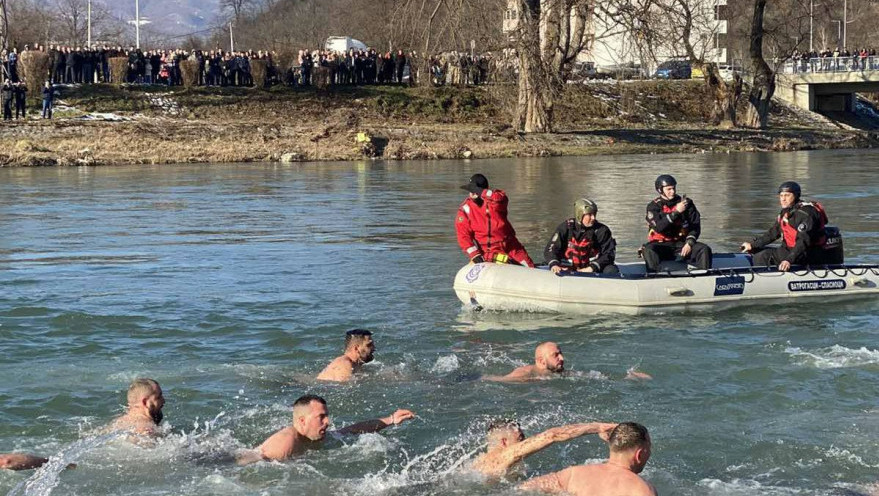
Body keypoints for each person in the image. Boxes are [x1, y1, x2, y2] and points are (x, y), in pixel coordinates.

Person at [238, 394, 415, 463]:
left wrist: (391, 419)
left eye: (327, 415)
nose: (328, 422)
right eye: (321, 417)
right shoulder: (285, 445)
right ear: (302, 421)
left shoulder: (313, 436)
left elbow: (352, 430)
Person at [518, 422, 656, 496]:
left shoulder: (573, 474)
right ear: (640, 454)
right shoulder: (641, 490)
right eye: (649, 447)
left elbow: (524, 488)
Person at [471, 420, 618, 479]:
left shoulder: (480, 461)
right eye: (521, 438)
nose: (526, 441)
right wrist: (597, 427)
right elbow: (552, 435)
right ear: (504, 442)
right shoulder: (504, 456)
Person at [741, 181, 836, 271]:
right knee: (757, 251)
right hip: (790, 249)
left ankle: (764, 283)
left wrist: (789, 260)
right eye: (781, 195)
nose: (783, 199)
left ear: (796, 196)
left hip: (808, 253)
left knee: (763, 256)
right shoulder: (787, 212)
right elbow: (773, 233)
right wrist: (753, 245)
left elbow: (803, 242)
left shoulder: (806, 213)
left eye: (787, 195)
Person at [456, 173, 535, 267]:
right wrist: (474, 254)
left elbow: (500, 198)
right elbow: (463, 237)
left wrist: (482, 192)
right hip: (489, 251)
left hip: (512, 246)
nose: (472, 193)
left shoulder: (496, 201)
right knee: (505, 267)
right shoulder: (465, 210)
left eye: (475, 191)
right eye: (470, 190)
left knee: (530, 268)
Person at [642, 174, 712, 272]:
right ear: (660, 190)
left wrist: (689, 243)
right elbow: (659, 227)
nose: (673, 192)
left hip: (681, 244)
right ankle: (655, 276)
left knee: (704, 249)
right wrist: (676, 212)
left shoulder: (686, 204)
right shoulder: (653, 207)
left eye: (674, 188)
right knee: (649, 249)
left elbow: (695, 226)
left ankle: (704, 276)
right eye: (669, 189)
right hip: (661, 245)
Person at [544, 198, 619, 275]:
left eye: (594, 214)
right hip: (567, 267)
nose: (593, 218)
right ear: (580, 215)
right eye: (589, 215)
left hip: (592, 268)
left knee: (611, 270)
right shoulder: (566, 228)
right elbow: (551, 249)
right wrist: (554, 264)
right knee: (553, 265)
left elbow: (609, 253)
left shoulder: (602, 230)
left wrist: (592, 267)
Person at [484, 342, 565, 382]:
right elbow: (501, 380)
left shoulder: (558, 371)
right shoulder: (525, 373)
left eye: (561, 353)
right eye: (555, 355)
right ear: (541, 361)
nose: (562, 358)